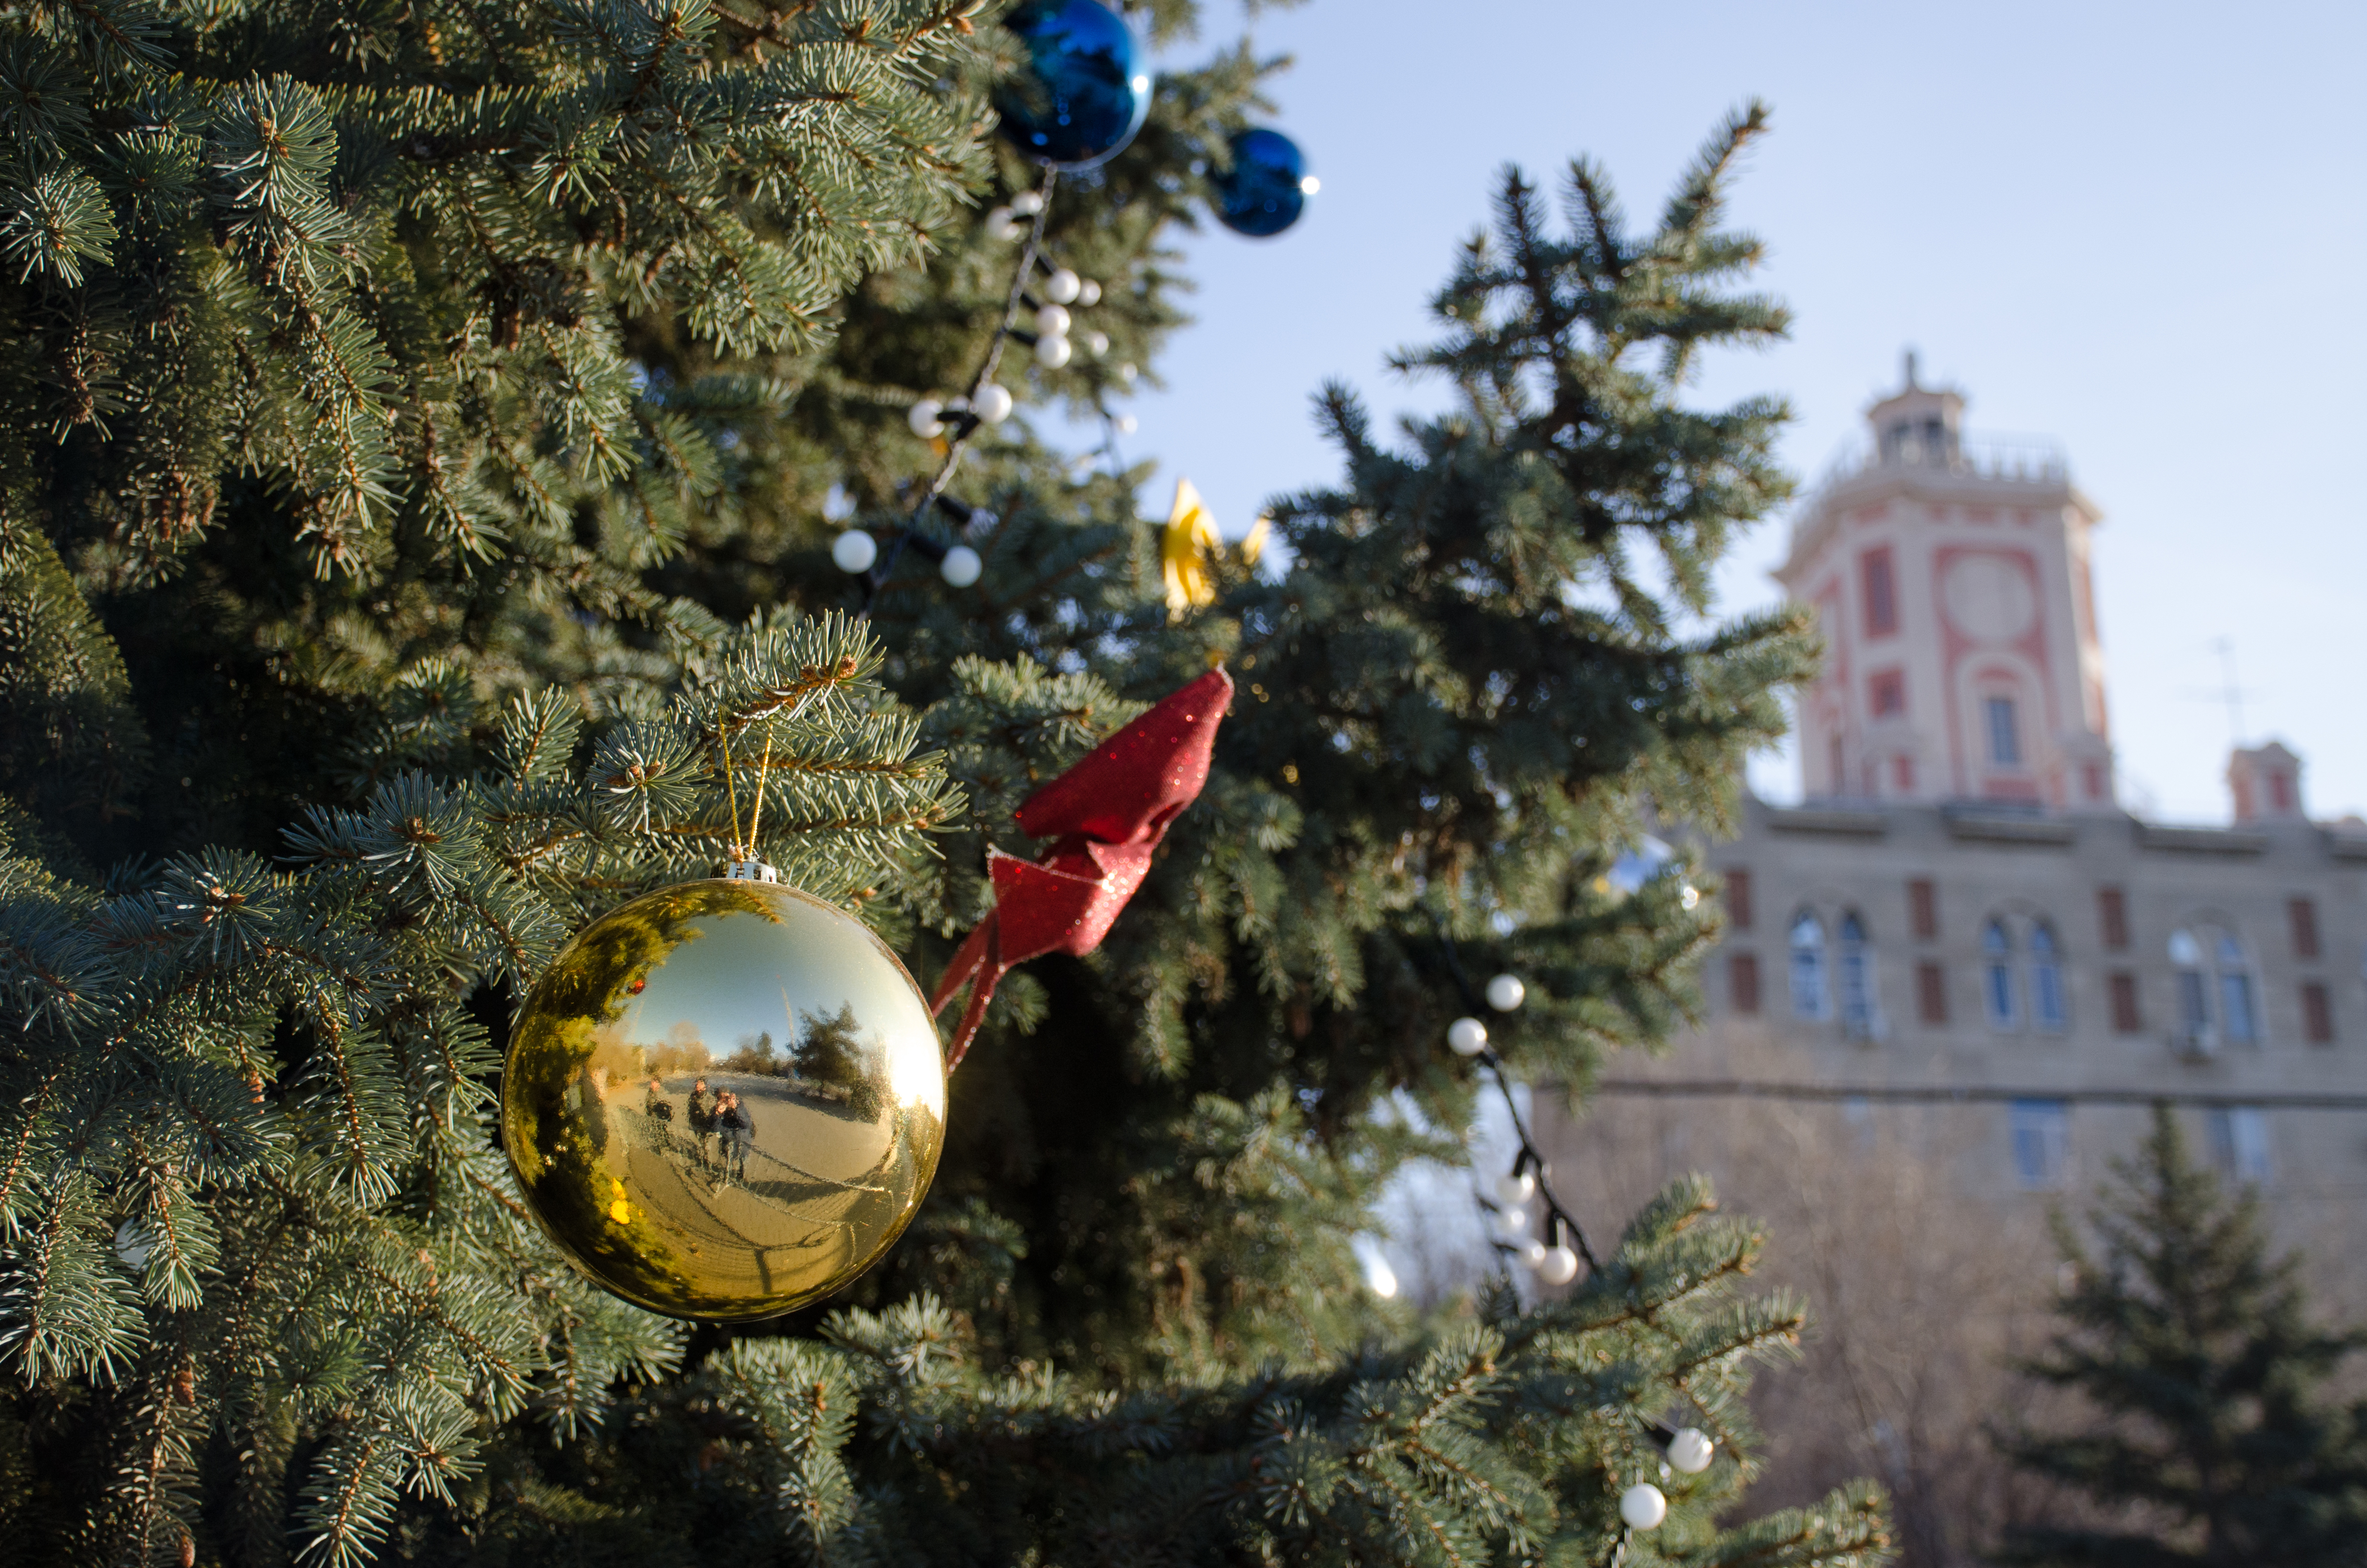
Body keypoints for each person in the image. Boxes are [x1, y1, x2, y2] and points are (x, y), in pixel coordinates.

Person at [715, 1091, 752, 1185]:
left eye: (728, 1098)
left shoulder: (740, 1107)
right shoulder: (719, 1109)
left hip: (742, 1138)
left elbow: (746, 1124)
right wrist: (717, 1114)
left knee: (742, 1157)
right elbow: (716, 1127)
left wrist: (736, 1109)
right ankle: (727, 1174)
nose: (727, 1101)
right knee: (729, 1157)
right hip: (729, 1139)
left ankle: (741, 1172)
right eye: (723, 1098)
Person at [685, 1077, 715, 1170]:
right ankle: (703, 1158)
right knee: (700, 1142)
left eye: (701, 1084)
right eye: (697, 1084)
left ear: (705, 1086)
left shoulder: (710, 1098)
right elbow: (690, 1110)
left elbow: (714, 1114)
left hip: (706, 1125)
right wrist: (691, 1121)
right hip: (696, 1124)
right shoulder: (693, 1096)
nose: (698, 1086)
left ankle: (707, 1161)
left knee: (706, 1144)